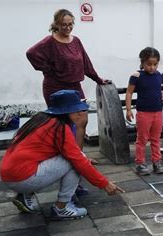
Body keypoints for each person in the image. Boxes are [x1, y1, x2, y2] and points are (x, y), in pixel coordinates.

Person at [0, 90, 124, 220]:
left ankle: (25, 194)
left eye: (79, 110)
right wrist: (104, 184)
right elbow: (77, 160)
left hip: (8, 173)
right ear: (63, 112)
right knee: (74, 163)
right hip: (22, 177)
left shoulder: (40, 119)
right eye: (75, 111)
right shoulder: (60, 127)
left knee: (77, 158)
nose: (79, 114)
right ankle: (61, 208)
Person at [26, 9, 108, 152]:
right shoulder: (49, 42)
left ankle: (79, 157)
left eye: (70, 24)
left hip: (75, 86)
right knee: (62, 124)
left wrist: (97, 79)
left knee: (82, 120)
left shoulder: (76, 41)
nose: (68, 28)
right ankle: (63, 157)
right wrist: (48, 70)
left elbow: (86, 63)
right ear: (56, 24)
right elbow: (31, 53)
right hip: (55, 87)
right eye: (64, 25)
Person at [125, 47, 163, 176]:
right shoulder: (136, 76)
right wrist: (128, 110)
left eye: (155, 64)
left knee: (156, 138)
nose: (152, 67)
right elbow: (129, 93)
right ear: (142, 62)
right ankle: (140, 163)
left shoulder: (159, 75)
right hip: (144, 113)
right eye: (149, 64)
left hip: (158, 112)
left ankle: (157, 162)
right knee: (142, 139)